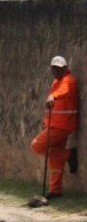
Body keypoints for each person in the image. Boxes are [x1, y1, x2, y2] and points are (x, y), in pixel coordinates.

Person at [30, 55, 79, 200]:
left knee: (36, 146)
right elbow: (53, 106)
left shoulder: (69, 81)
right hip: (54, 124)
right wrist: (46, 121)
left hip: (63, 125)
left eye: (59, 69)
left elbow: (63, 91)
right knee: (54, 160)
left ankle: (68, 155)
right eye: (54, 69)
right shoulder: (55, 82)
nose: (56, 71)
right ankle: (55, 190)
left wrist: (53, 97)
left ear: (65, 68)